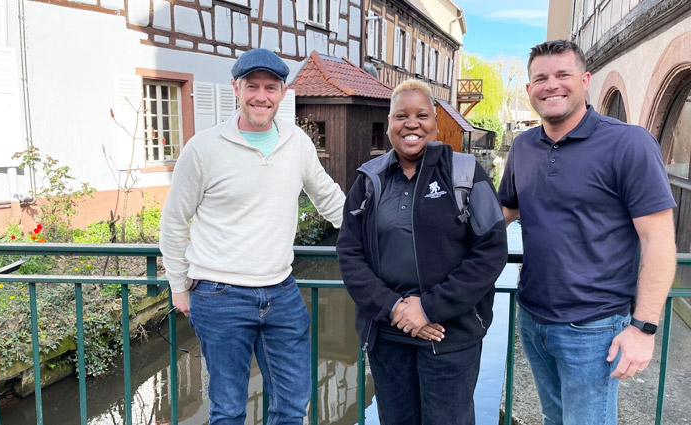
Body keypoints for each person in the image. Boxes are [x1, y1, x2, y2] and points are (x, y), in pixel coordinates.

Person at [159, 48, 346, 425]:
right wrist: (178, 286)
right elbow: (175, 219)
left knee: (293, 405)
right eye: (252, 87)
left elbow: (328, 197)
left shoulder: (296, 143)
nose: (262, 96)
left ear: (282, 92)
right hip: (218, 293)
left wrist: (377, 232)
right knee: (228, 410)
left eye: (271, 88)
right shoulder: (204, 148)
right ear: (236, 88)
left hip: (281, 291)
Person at [498, 40, 677, 425]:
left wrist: (643, 328)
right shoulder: (523, 147)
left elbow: (659, 240)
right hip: (533, 316)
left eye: (563, 75)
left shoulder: (628, 144)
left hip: (594, 328)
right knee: (554, 418)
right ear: (529, 90)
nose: (552, 85)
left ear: (585, 80)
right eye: (540, 78)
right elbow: (504, 214)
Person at [336, 79, 507, 425]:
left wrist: (428, 308)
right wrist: (396, 308)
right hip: (387, 333)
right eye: (401, 115)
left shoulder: (465, 174)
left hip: (449, 336)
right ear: (389, 126)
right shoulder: (369, 181)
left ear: (435, 121)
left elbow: (491, 250)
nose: (411, 123)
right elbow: (350, 254)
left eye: (421, 114)